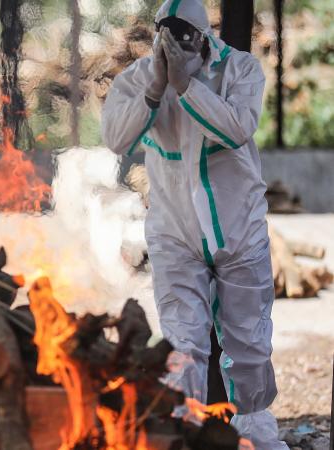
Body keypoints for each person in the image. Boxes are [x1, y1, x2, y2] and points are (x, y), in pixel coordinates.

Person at [101, 0, 286, 448]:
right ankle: (186, 432)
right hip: (175, 233)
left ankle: (255, 432)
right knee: (183, 343)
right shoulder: (142, 78)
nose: (176, 43)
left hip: (238, 228)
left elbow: (236, 128)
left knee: (248, 342)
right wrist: (156, 89)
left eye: (184, 34)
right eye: (167, 34)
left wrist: (187, 88)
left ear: (204, 37)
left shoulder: (241, 70)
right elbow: (116, 137)